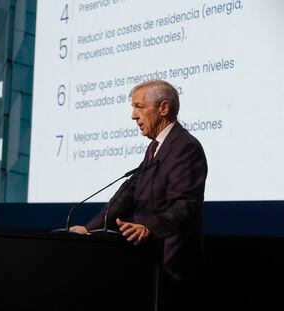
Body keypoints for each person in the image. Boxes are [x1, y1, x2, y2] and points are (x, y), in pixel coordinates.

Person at [71, 80, 208, 311]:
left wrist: (149, 227)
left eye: (139, 107)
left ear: (163, 108)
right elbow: (128, 192)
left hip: (172, 268)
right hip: (148, 264)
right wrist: (90, 229)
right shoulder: (156, 147)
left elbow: (186, 205)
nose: (133, 116)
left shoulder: (185, 147)